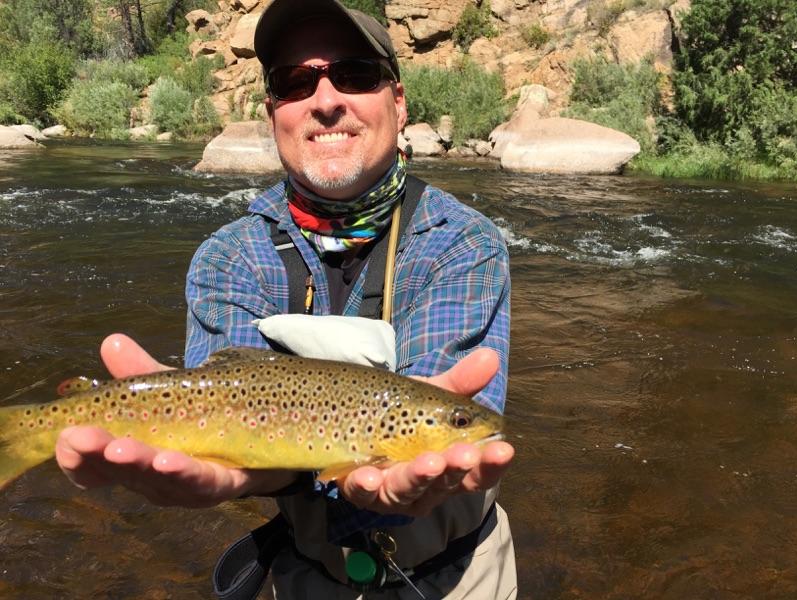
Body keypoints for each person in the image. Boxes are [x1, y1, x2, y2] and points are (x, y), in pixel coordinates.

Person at [55, 0, 516, 597]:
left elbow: (436, 439)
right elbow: (235, 427)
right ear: (274, 113)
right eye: (297, 83)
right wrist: (229, 470)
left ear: (398, 104)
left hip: (460, 573)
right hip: (306, 573)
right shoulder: (229, 257)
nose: (326, 100)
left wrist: (411, 450)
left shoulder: (462, 243)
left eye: (353, 75)